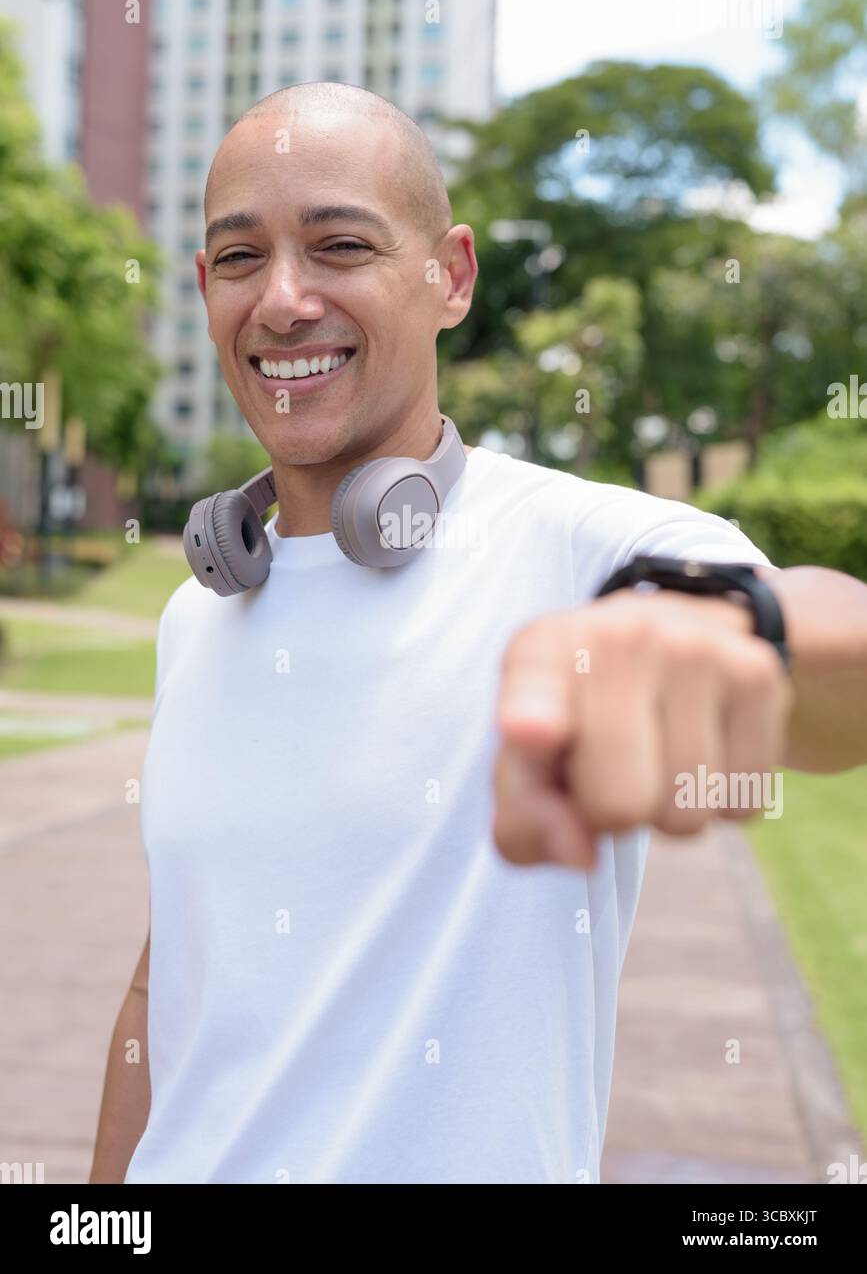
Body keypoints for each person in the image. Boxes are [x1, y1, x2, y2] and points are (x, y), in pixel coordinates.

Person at [90, 82, 867, 1185]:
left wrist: (752, 629)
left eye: (340, 245)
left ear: (450, 274)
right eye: (239, 258)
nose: (284, 300)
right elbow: (168, 982)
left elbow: (845, 652)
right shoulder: (198, 610)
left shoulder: (583, 548)